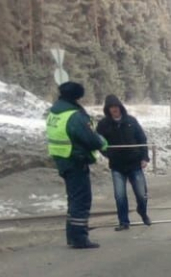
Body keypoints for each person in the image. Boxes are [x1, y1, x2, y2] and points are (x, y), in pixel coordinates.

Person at [46, 81, 107, 248]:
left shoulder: (55, 112)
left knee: (73, 199)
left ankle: (72, 236)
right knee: (81, 200)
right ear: (77, 96)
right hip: (75, 159)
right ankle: (80, 237)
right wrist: (101, 142)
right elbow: (89, 138)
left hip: (62, 158)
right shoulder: (74, 116)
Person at [96, 94, 151, 231]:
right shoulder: (103, 125)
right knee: (120, 196)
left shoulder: (131, 121)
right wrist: (108, 154)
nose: (114, 109)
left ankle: (142, 211)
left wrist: (144, 157)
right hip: (117, 166)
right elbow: (98, 142)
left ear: (120, 107)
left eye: (116, 106)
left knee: (142, 194)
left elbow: (142, 139)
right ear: (107, 109)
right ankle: (123, 222)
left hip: (135, 164)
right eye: (111, 107)